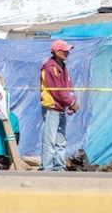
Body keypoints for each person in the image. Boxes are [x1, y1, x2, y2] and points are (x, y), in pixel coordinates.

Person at [39, 39, 80, 171]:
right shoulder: (50, 68)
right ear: (57, 52)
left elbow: (68, 87)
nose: (67, 53)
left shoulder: (63, 67)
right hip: (52, 108)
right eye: (64, 51)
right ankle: (47, 167)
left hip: (61, 107)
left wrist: (72, 102)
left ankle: (59, 166)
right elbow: (57, 92)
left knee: (61, 140)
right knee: (49, 140)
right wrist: (71, 103)